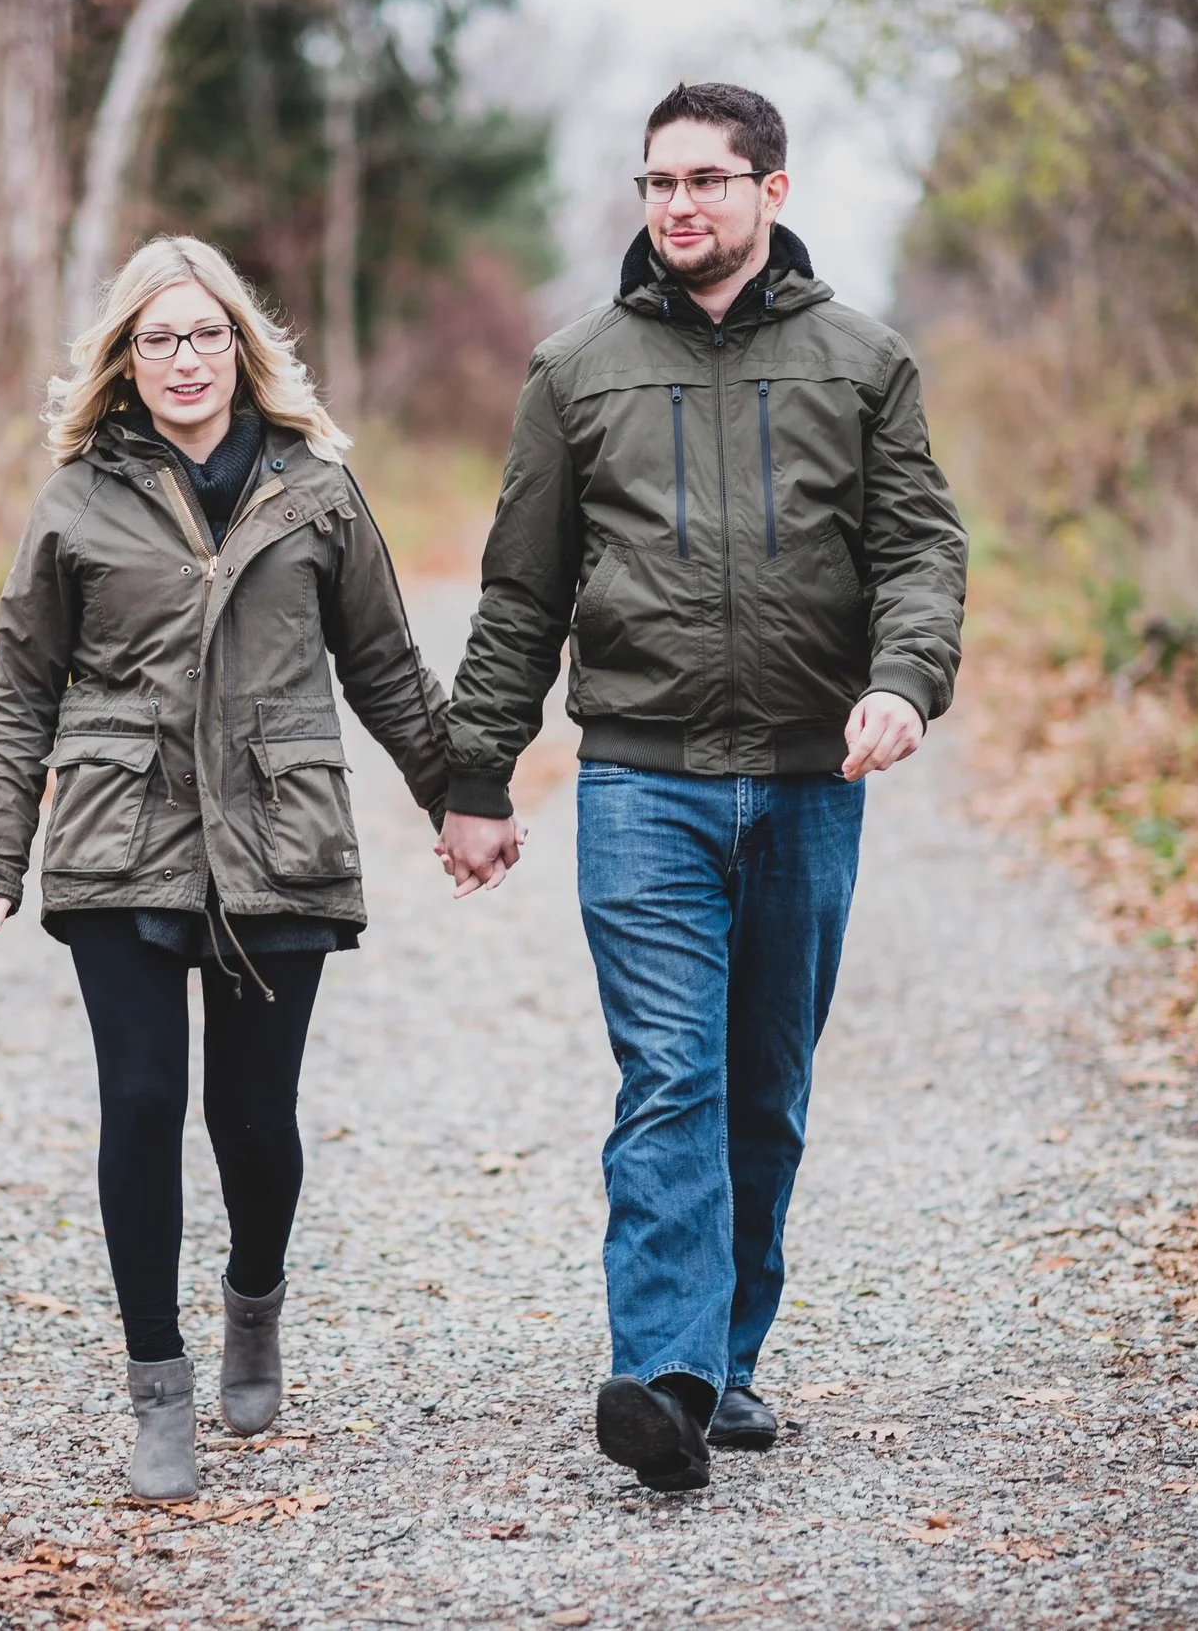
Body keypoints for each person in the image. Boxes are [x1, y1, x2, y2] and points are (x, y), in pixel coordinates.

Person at [435, 82, 968, 1491]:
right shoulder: (577, 368)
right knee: (671, 1074)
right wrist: (478, 775)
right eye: (659, 182)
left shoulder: (862, 362)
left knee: (765, 1090)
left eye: (706, 180)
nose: (678, 204)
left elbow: (919, 551)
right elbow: (521, 592)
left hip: (809, 780)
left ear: (769, 191)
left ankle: (726, 1363)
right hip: (640, 781)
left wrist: (905, 681)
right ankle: (664, 1379)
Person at [0, 236, 449, 1502]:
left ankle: (253, 1303)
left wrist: (463, 798)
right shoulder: (74, 501)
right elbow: (20, 691)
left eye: (205, 335)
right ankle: (156, 1386)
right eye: (158, 339)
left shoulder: (316, 492)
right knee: (139, 1102)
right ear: (125, 358)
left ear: (240, 346)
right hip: (122, 836)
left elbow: (385, 665)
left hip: (280, 838)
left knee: (255, 1121)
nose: (184, 360)